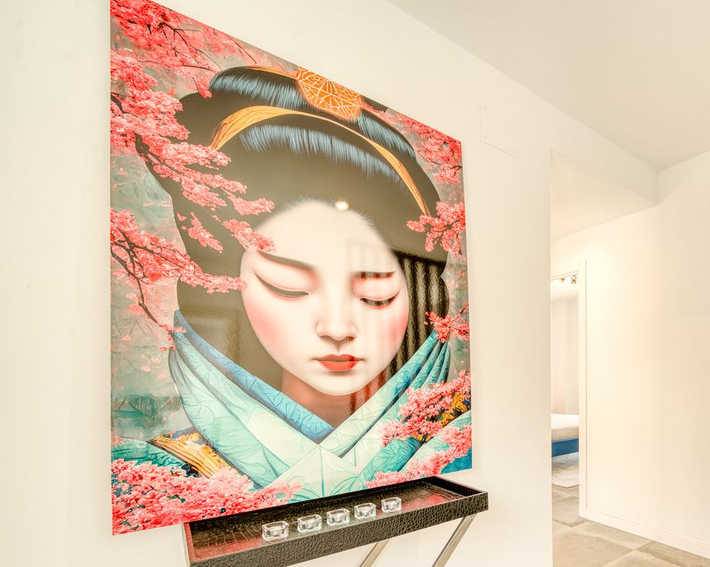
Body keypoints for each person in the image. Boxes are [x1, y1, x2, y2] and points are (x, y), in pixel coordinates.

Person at [112, 66, 471, 502]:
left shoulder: (463, 440)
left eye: (375, 295)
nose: (337, 328)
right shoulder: (152, 479)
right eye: (288, 287)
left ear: (416, 298)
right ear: (230, 285)